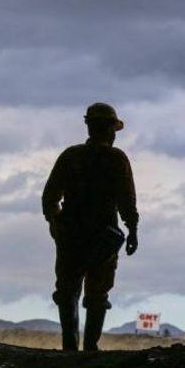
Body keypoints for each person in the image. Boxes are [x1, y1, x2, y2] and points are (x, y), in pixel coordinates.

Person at [42, 103, 139, 351]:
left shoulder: (70, 156)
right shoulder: (116, 160)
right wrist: (132, 230)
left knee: (68, 291)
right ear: (109, 130)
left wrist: (56, 224)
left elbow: (49, 198)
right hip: (102, 237)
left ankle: (70, 346)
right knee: (97, 294)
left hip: (72, 235)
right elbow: (127, 201)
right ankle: (89, 348)